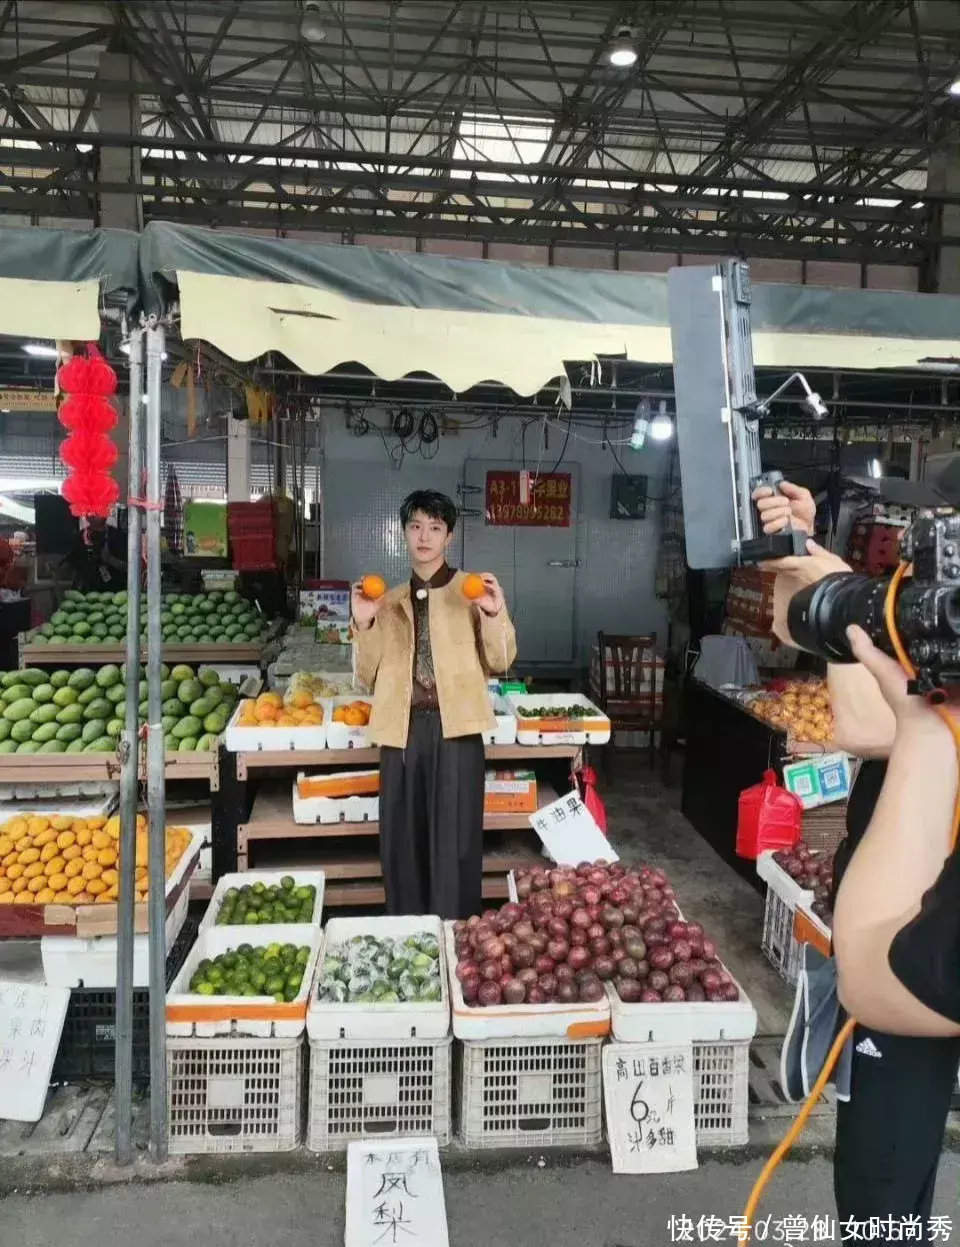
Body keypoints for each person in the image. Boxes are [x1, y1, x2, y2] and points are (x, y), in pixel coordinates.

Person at [756, 481, 960, 1235]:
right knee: (895, 1165)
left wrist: (840, 596)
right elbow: (795, 623)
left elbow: (866, 726)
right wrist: (806, 560)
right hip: (917, 916)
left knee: (881, 1170)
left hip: (912, 926)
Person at [351, 489, 517, 920]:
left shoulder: (471, 592)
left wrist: (494, 613)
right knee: (401, 839)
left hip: (456, 729)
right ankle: (407, 933)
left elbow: (501, 660)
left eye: (435, 527)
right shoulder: (387, 601)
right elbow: (366, 674)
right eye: (416, 526)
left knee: (456, 840)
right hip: (402, 730)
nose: (424, 536)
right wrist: (363, 623)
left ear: (449, 537)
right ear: (404, 533)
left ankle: (455, 931)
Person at [63, 516, 126, 592]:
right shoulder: (79, 537)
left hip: (113, 590)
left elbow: (129, 567)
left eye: (98, 512)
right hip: (86, 591)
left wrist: (110, 559)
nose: (94, 515)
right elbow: (70, 565)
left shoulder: (118, 536)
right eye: (90, 512)